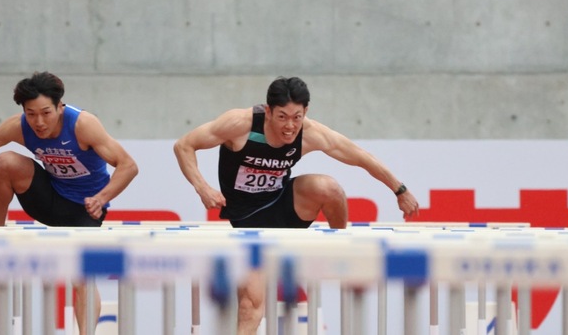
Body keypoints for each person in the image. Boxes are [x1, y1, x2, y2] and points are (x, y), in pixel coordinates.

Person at [173, 76, 419, 334]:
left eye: (296, 117)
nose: (289, 126)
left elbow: (360, 157)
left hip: (283, 206)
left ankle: (341, 253)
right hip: (247, 222)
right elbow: (184, 146)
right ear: (268, 111)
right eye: (282, 117)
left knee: (329, 187)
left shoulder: (309, 132)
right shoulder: (240, 123)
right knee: (250, 305)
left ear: (305, 112)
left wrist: (399, 190)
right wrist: (203, 188)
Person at [0, 71, 139, 335]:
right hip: (48, 198)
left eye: (45, 113)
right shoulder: (20, 126)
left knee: (81, 277)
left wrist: (102, 198)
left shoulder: (83, 124)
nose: (38, 122)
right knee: (5, 161)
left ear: (59, 107)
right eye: (31, 114)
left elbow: (128, 166)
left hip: (84, 209)